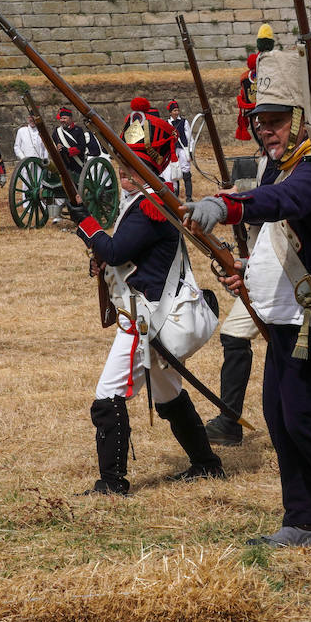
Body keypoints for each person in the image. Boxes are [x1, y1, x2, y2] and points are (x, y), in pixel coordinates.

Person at [185, 46, 311, 553]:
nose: (266, 131)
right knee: (279, 418)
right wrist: (246, 272)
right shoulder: (281, 167)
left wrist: (228, 204)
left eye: (276, 121)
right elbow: (280, 238)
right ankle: (304, 521)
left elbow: (288, 201)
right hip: (283, 318)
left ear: (299, 121)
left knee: (306, 420)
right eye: (261, 122)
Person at [66, 109, 224, 496]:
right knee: (169, 395)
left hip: (147, 318)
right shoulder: (145, 201)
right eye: (123, 162)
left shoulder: (150, 206)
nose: (124, 170)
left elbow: (116, 250)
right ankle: (206, 464)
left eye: (133, 164)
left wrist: (86, 223)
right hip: (151, 313)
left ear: (150, 168)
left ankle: (112, 483)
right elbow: (125, 256)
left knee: (108, 395)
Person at [54, 106, 93, 176]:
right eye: (61, 118)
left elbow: (82, 147)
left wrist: (67, 150)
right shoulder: (57, 132)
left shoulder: (78, 130)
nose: (62, 120)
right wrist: (58, 146)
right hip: (63, 163)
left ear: (70, 119)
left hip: (77, 163)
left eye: (64, 118)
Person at [167, 100, 194, 199]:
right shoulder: (167, 123)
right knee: (174, 173)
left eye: (177, 110)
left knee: (186, 173)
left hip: (183, 149)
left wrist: (190, 150)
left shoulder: (184, 122)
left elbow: (189, 137)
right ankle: (175, 197)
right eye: (174, 110)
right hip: (172, 151)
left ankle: (189, 197)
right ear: (170, 112)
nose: (176, 112)